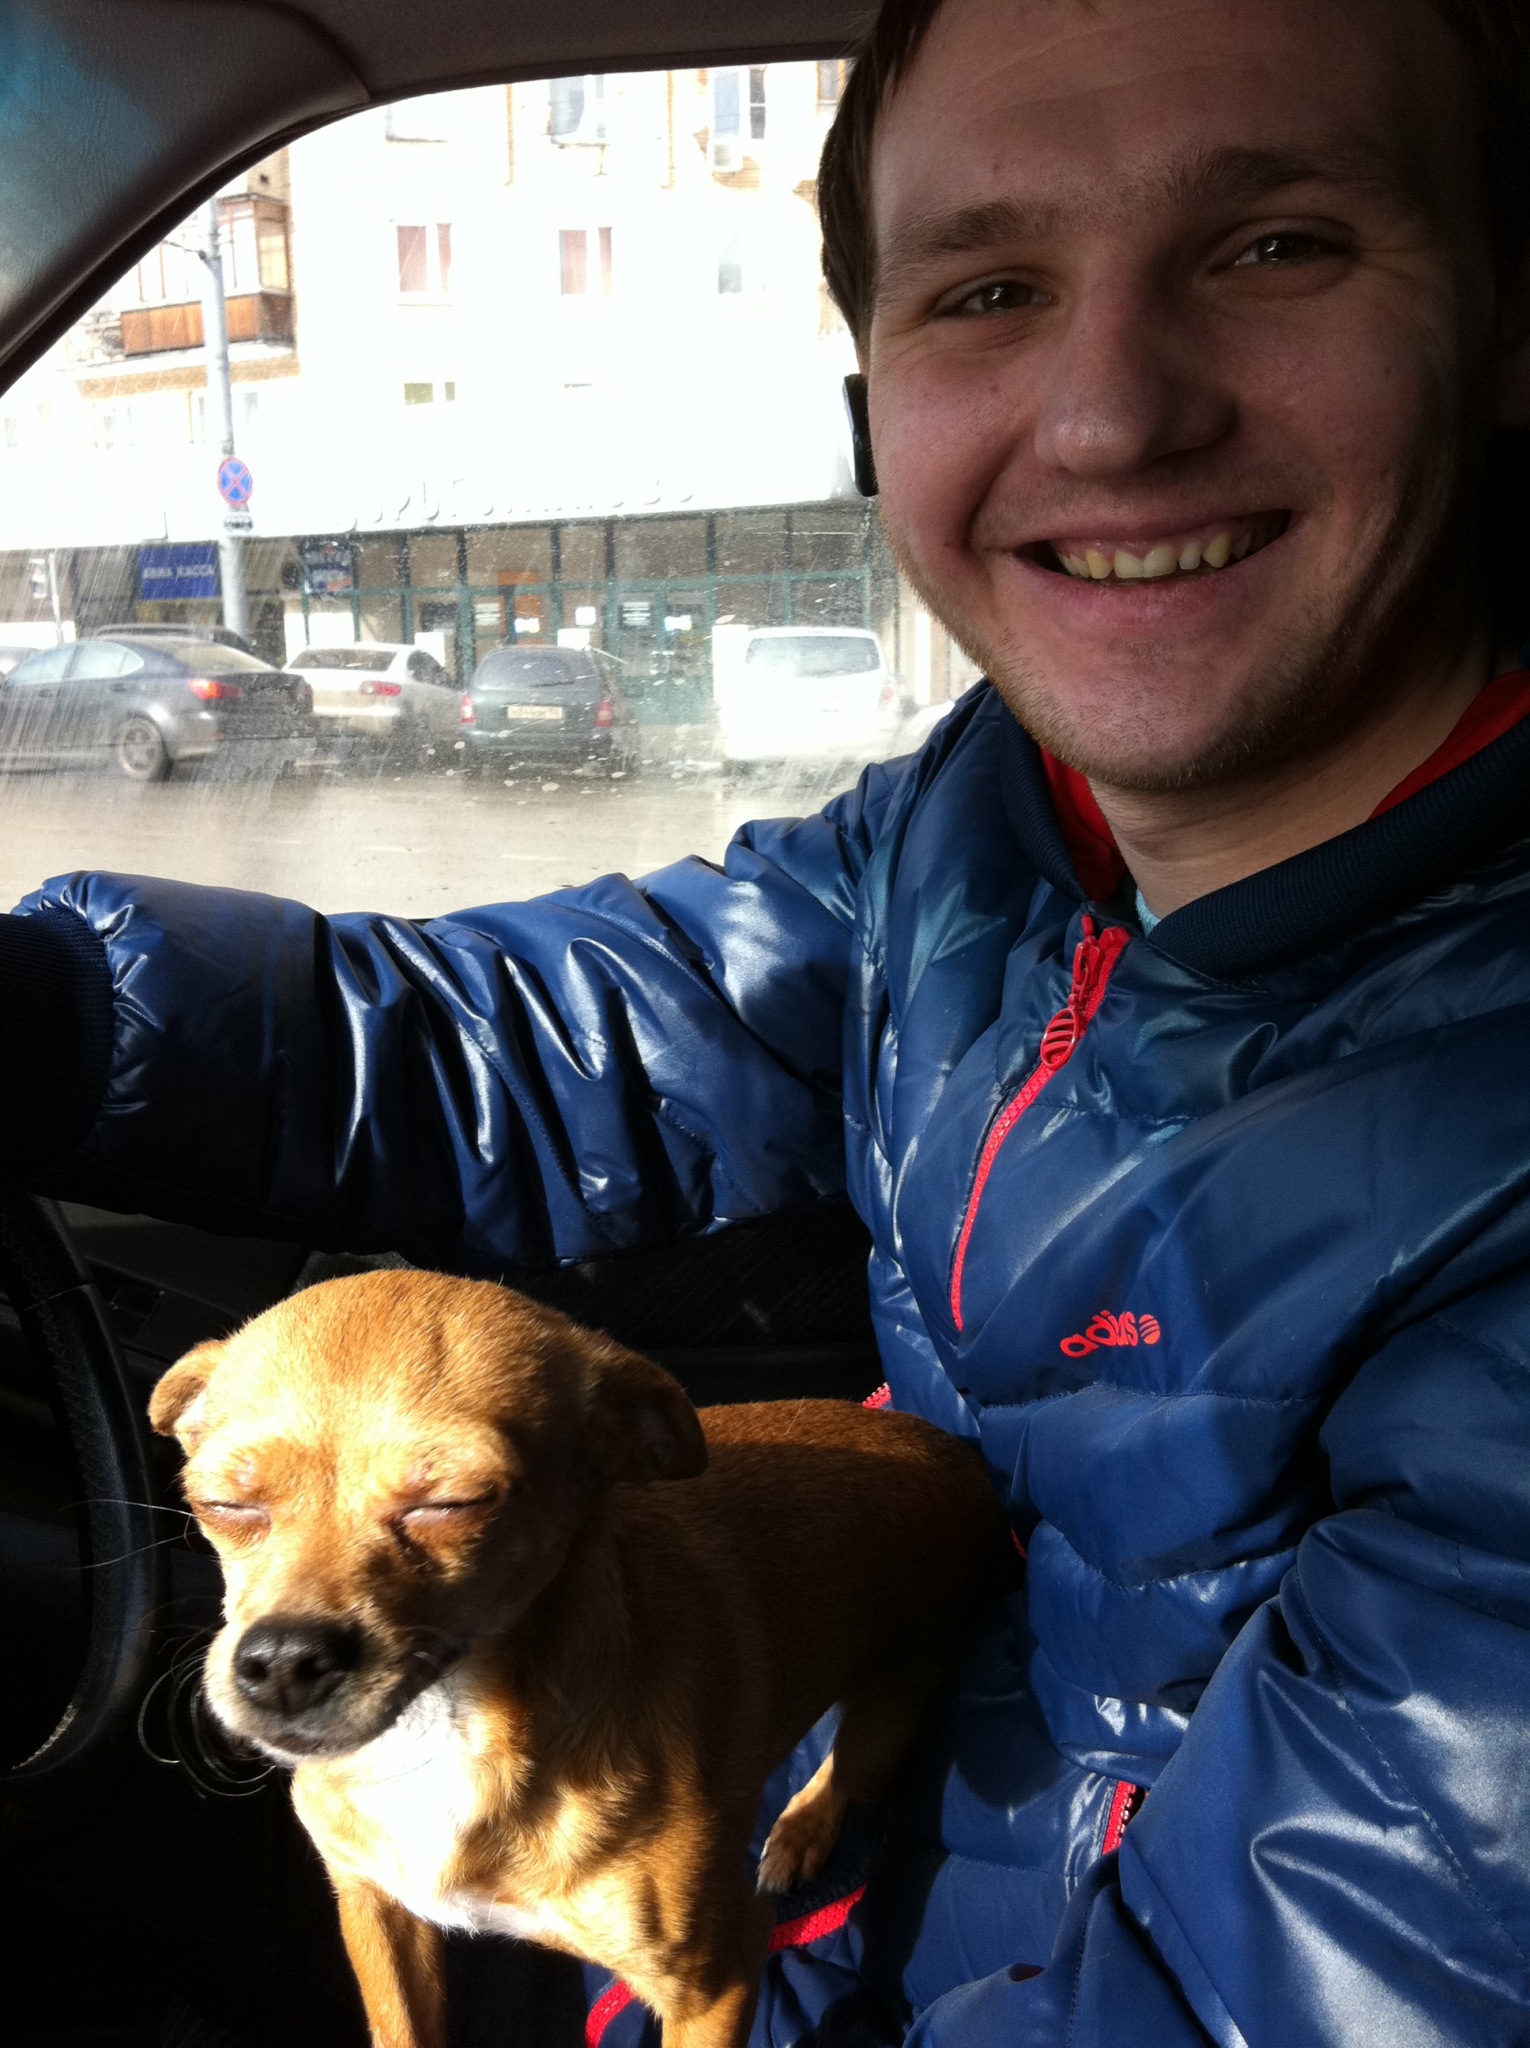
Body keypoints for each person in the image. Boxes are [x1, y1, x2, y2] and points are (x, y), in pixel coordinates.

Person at [6, 0, 1530, 2039]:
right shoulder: (976, 836)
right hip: (828, 1835)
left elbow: (1312, 1977)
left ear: (1504, 323)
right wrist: (35, 1015)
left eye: (1276, 247)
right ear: (874, 402)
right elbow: (551, 1044)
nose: (1107, 414)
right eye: (988, 288)